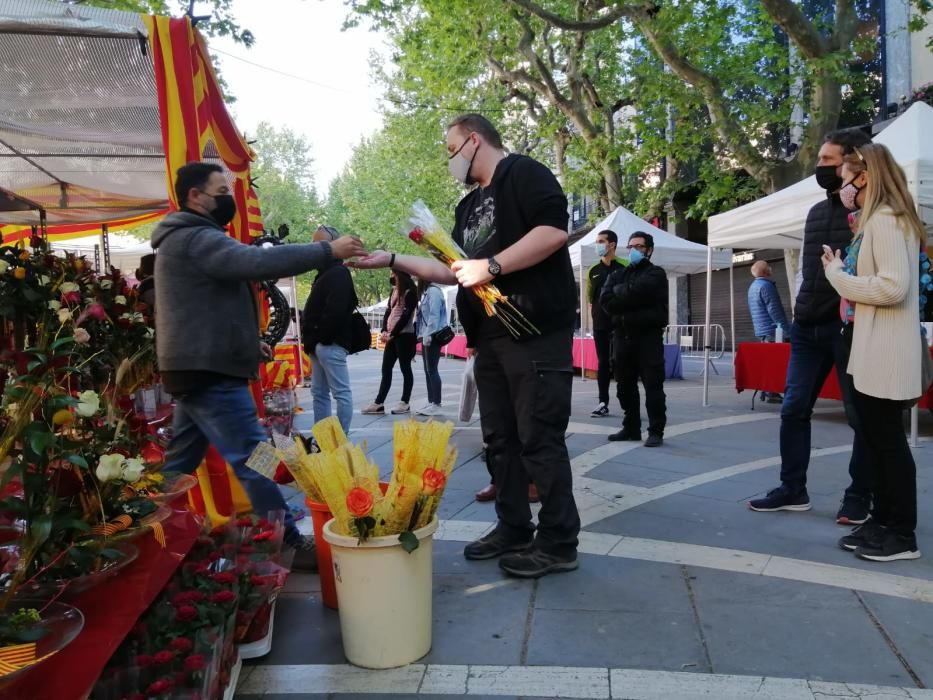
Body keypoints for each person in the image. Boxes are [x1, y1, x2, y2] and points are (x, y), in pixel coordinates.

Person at [353, 113, 580, 578]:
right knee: (500, 439)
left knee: (539, 437)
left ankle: (559, 541)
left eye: (451, 148)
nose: (449, 158)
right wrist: (393, 259)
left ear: (474, 140)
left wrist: (492, 266)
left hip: (534, 330)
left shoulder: (524, 173)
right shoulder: (467, 206)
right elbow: (452, 269)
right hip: (489, 337)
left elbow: (553, 232)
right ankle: (513, 526)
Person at [152, 162, 365, 568]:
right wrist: (326, 251)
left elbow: (204, 310)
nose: (226, 198)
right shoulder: (195, 237)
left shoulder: (189, 239)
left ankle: (148, 531)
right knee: (256, 456)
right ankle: (286, 537)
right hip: (210, 372)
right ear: (195, 196)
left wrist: (247, 343)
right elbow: (256, 262)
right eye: (219, 190)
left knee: (179, 462)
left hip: (198, 367)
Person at [749, 129, 874, 525]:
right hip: (807, 328)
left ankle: (859, 495)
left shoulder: (873, 211)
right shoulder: (816, 212)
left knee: (860, 416)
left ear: (854, 164)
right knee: (793, 409)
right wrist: (800, 312)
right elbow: (808, 269)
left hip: (847, 328)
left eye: (827, 161)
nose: (819, 167)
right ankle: (792, 488)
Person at [822, 143, 925, 561]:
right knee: (879, 441)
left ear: (864, 177)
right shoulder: (888, 220)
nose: (842, 187)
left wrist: (836, 275)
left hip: (885, 352)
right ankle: (882, 521)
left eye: (846, 178)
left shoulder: (885, 219)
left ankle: (901, 534)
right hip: (876, 348)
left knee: (887, 445)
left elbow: (891, 287)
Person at [600, 231, 669, 447]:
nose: (634, 251)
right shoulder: (617, 275)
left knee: (653, 386)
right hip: (622, 337)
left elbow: (642, 291)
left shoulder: (656, 274)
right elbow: (606, 300)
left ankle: (656, 430)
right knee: (624, 385)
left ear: (648, 250)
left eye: (639, 247)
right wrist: (629, 297)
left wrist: (623, 299)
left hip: (648, 338)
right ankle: (631, 427)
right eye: (631, 247)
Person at [301, 225, 357, 433]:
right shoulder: (328, 273)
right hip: (322, 343)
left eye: (320, 244)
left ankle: (338, 441)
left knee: (338, 393)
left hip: (328, 343)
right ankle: (324, 440)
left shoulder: (337, 273)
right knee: (320, 393)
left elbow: (336, 310)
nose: (315, 248)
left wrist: (321, 338)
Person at [362, 271, 418, 415]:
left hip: (404, 336)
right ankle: (379, 403)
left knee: (405, 368)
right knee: (386, 368)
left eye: (394, 273)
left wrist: (393, 333)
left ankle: (405, 402)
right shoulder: (394, 291)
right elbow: (389, 311)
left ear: (400, 275)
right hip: (391, 336)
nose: (391, 276)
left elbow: (406, 316)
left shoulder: (410, 292)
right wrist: (384, 330)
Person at [587, 229, 627, 417]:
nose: (598, 245)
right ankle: (603, 402)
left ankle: (628, 401)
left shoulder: (626, 266)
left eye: (601, 241)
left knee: (622, 361)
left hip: (622, 324)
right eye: (597, 241)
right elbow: (590, 298)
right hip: (600, 324)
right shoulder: (592, 271)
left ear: (612, 245)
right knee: (603, 362)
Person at [747, 260, 788, 403]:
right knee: (775, 362)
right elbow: (775, 310)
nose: (771, 268)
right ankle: (771, 392)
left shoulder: (753, 286)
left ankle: (767, 390)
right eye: (769, 266)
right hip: (772, 329)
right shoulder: (766, 286)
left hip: (762, 329)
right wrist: (786, 330)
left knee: (768, 361)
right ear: (765, 271)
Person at [415, 279, 448, 416]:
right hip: (427, 335)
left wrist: (427, 335)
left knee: (432, 370)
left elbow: (434, 316)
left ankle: (436, 403)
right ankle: (431, 401)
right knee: (428, 370)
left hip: (433, 336)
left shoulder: (433, 292)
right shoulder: (427, 292)